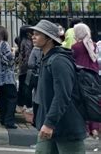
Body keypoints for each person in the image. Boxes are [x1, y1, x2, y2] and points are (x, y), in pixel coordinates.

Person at [31, 20, 86, 153]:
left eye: (38, 34)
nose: (33, 36)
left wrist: (49, 123)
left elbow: (62, 96)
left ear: (49, 38)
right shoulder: (46, 59)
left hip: (66, 126)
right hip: (48, 125)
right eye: (33, 33)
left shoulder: (59, 61)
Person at [72, 23, 99, 140]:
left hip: (81, 76)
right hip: (93, 76)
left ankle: (86, 128)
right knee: (93, 101)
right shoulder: (92, 44)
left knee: (82, 102)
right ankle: (95, 128)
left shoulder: (75, 47)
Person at [0, 26, 17, 129]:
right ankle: (9, 121)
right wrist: (14, 52)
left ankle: (3, 118)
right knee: (12, 98)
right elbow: (10, 60)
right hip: (7, 77)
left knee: (1, 99)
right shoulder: (4, 44)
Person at [16, 25, 34, 113]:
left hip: (22, 68)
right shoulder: (27, 42)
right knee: (27, 87)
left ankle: (20, 104)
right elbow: (28, 56)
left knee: (22, 86)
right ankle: (28, 105)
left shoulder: (21, 41)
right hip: (26, 68)